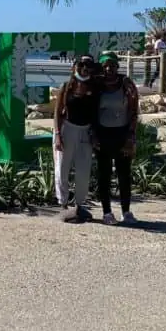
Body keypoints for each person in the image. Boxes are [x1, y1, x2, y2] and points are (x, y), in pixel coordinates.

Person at [94, 52, 140, 224]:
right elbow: (91, 111)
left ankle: (126, 212)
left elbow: (134, 110)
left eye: (112, 65)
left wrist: (131, 136)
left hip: (122, 133)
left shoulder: (126, 84)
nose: (108, 69)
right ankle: (107, 212)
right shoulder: (97, 85)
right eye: (105, 65)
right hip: (103, 134)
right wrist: (94, 136)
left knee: (124, 175)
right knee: (104, 175)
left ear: (117, 66)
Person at [53, 54, 98, 222]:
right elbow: (57, 112)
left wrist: (94, 134)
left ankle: (80, 205)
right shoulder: (66, 87)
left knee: (83, 170)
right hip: (67, 129)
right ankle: (63, 204)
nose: (84, 68)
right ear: (74, 67)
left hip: (86, 131)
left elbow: (95, 114)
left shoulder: (94, 89)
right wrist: (58, 135)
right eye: (81, 65)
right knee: (62, 167)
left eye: (88, 65)